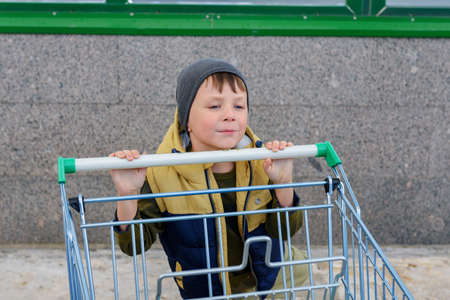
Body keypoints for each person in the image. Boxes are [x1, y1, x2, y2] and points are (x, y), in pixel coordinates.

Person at [110, 58, 307, 299]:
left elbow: (287, 230)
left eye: (239, 106)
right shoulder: (161, 173)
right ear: (185, 119)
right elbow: (133, 246)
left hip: (274, 277)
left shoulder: (261, 161)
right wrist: (128, 193)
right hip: (211, 291)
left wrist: (283, 183)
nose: (229, 116)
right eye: (214, 107)